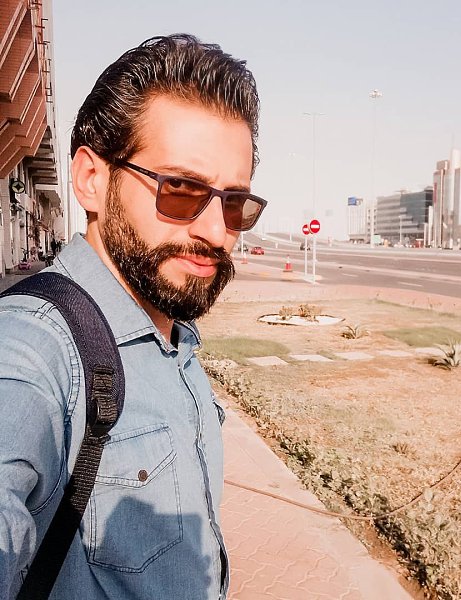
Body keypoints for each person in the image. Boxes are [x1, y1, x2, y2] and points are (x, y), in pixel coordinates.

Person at [0, 34, 266, 599]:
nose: (215, 232)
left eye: (234, 204)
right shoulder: (35, 348)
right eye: (181, 189)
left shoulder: (172, 335)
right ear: (91, 181)